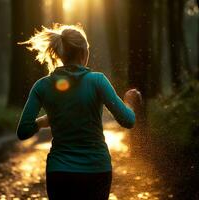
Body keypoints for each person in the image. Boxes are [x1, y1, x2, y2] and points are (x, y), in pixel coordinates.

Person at [16, 23, 142, 200]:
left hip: (59, 172)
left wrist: (48, 119)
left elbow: (23, 131)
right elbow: (128, 120)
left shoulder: (42, 85)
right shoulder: (97, 80)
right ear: (84, 53)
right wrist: (129, 101)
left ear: (60, 54)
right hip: (96, 170)